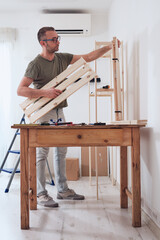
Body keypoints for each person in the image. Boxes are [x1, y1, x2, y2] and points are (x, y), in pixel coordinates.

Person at [17, 26, 117, 208]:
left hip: (59, 110)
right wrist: (44, 92)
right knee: (42, 152)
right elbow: (21, 90)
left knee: (61, 149)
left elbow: (88, 57)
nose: (58, 41)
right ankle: (41, 194)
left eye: (58, 38)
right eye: (53, 39)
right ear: (43, 43)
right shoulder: (35, 64)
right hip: (43, 111)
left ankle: (63, 190)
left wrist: (108, 47)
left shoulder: (62, 58)